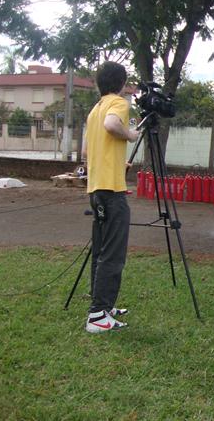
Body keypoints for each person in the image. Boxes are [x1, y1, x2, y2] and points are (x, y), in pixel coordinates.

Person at [82, 61, 139, 333]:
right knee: (113, 254)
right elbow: (112, 125)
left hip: (96, 189)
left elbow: (85, 151)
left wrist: (116, 162)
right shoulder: (118, 104)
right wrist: (130, 135)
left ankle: (103, 306)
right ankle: (97, 316)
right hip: (112, 192)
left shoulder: (94, 109)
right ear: (121, 83)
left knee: (101, 251)